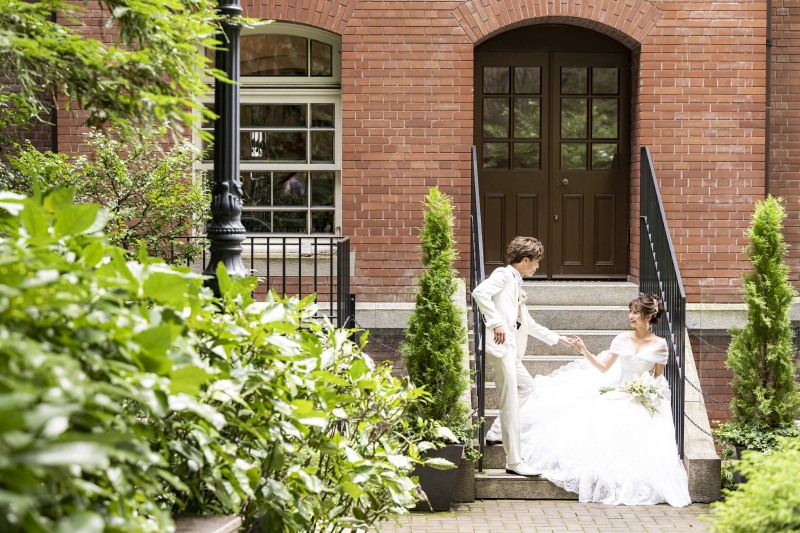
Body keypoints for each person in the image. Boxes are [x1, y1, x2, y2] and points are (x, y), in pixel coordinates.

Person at [517, 293, 691, 506]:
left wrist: (643, 389)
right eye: (631, 312)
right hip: (619, 390)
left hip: (642, 396)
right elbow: (603, 367)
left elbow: (657, 376)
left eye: (636, 313)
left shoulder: (660, 345)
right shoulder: (621, 339)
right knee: (607, 413)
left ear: (648, 316)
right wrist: (585, 351)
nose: (631, 316)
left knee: (639, 419)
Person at [472, 236, 575, 477]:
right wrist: (495, 322)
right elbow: (479, 292)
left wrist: (557, 338)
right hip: (501, 347)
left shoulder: (516, 282)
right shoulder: (503, 274)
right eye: (536, 261)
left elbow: (526, 322)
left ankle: (496, 432)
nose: (538, 267)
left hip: (511, 351)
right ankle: (514, 462)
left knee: (527, 386)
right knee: (509, 403)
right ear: (525, 259)